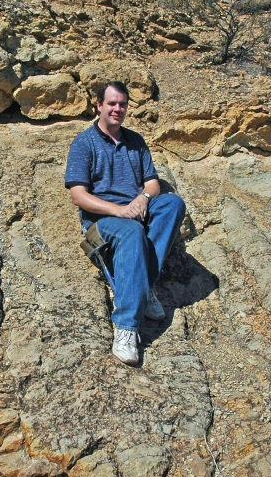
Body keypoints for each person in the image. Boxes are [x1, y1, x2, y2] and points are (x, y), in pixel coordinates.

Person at [65, 81, 186, 365]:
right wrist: (119, 211)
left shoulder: (135, 141)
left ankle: (141, 287)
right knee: (132, 231)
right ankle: (126, 328)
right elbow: (78, 196)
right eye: (111, 103)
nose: (117, 109)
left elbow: (153, 183)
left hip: (134, 211)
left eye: (122, 104)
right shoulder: (84, 143)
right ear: (99, 106)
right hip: (102, 223)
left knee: (172, 204)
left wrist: (143, 198)